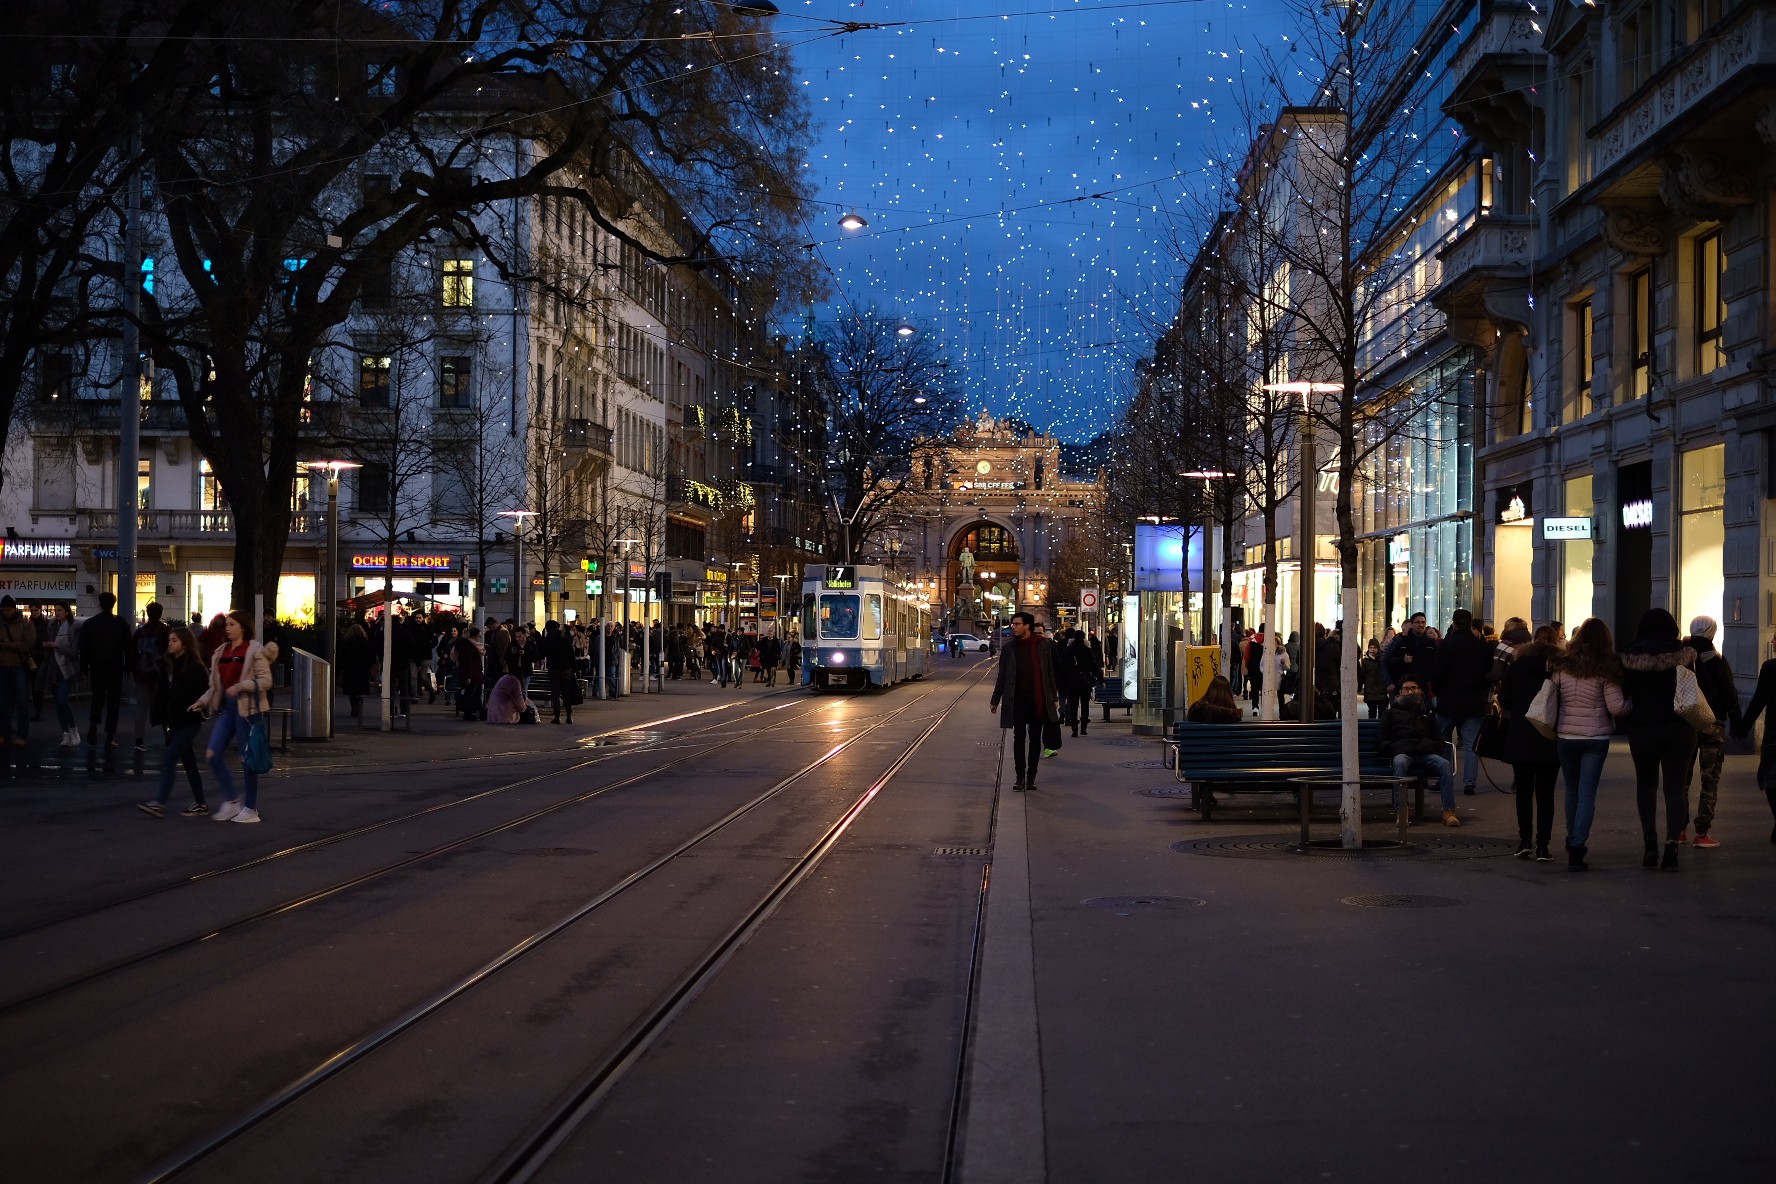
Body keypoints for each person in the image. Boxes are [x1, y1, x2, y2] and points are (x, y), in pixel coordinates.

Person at [1621, 608, 1700, 872]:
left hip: (1642, 728)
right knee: (1675, 788)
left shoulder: (1631, 655)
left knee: (1646, 785)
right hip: (1679, 728)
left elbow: (1622, 692)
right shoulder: (1685, 655)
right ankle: (1672, 849)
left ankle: (1650, 845)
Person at [1548, 618, 1631, 871]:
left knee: (1571, 792)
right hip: (1595, 739)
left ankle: (1572, 837)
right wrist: (1632, 704)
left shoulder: (1562, 665)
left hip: (1566, 736)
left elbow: (1551, 697)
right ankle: (1577, 844)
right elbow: (1616, 707)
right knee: (1587, 794)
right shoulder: (1607, 667)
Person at [196, 610, 277, 824]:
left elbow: (266, 680)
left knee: (247, 759)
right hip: (229, 709)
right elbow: (215, 686)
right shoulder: (221, 651)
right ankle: (232, 800)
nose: (228, 628)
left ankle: (250, 808)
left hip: (248, 710)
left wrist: (242, 686)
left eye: (232, 624)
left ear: (243, 627)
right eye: (227, 625)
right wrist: (202, 702)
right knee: (212, 755)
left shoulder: (253, 650)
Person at [1498, 624, 1562, 860]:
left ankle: (1525, 840)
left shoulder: (1518, 666)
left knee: (1523, 791)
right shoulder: (1557, 668)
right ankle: (1543, 845)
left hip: (1521, 734)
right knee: (1546, 793)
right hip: (1548, 735)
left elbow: (1505, 699)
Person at [139, 627, 210, 817]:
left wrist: (197, 705)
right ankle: (201, 803)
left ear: (185, 644)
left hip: (190, 720)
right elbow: (165, 694)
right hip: (176, 721)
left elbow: (204, 692)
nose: (170, 643)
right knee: (189, 761)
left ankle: (160, 803)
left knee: (170, 758)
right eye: (170, 640)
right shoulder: (169, 665)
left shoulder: (194, 667)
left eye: (175, 640)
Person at [1682, 616, 1739, 849]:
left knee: (1682, 780)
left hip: (1685, 724)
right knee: (1709, 779)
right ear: (1712, 633)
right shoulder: (1717, 660)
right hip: (1713, 724)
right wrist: (1738, 723)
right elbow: (1729, 695)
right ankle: (1702, 832)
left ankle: (1679, 829)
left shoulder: (1681, 657)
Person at [989, 612, 1059, 792]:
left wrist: (1054, 697)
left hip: (1038, 699)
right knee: (1019, 738)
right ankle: (1019, 777)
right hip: (1017, 700)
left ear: (1027, 625)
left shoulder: (1042, 645)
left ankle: (1031, 777)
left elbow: (1049, 673)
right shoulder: (1009, 648)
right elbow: (1002, 676)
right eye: (1013, 624)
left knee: (1035, 739)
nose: (1014, 627)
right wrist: (995, 699)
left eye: (1017, 624)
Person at [1430, 608, 1493, 797]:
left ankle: (1443, 779)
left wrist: (1440, 692)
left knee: (1445, 742)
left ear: (1454, 624)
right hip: (1473, 701)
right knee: (1472, 745)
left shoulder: (1447, 646)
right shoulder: (1482, 647)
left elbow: (1437, 674)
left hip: (1448, 700)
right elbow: (1487, 674)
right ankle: (1469, 783)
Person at [1377, 675, 1456, 824]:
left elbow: (1439, 741)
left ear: (1420, 690)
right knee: (1400, 763)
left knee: (1444, 764)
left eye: (1413, 688)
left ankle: (1449, 811)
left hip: (1426, 753)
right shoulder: (1390, 713)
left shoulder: (1427, 715)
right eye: (1406, 689)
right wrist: (1396, 748)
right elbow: (1381, 741)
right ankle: (1401, 810)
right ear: (1400, 692)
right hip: (1403, 753)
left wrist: (1429, 746)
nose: (1410, 692)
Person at [1731, 629, 1776, 845]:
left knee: (1769, 777)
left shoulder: (1771, 668)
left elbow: (1759, 700)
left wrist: (1742, 727)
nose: (1773, 641)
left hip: (1775, 730)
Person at [77, 591, 133, 749]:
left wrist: (83, 668)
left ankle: (93, 725)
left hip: (96, 665)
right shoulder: (121, 623)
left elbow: (84, 648)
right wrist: (127, 667)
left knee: (97, 698)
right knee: (113, 702)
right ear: (113, 604)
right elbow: (127, 648)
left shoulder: (90, 624)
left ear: (100, 604)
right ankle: (110, 736)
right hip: (115, 666)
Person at [130, 601, 171, 753]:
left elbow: (133, 654)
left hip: (141, 676)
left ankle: (139, 741)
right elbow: (170, 653)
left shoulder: (140, 632)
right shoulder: (165, 631)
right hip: (160, 675)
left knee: (141, 707)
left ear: (147, 613)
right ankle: (169, 738)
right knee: (164, 706)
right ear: (160, 614)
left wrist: (134, 672)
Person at [0, 595, 35, 757]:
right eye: (4, 610)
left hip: (18, 666)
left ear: (14, 609)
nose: (6, 612)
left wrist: (9, 645)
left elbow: (29, 644)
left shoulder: (25, 623)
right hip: (4, 666)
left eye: (8, 609)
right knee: (3, 701)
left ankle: (22, 735)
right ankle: (5, 733)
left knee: (21, 701)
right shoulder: (20, 623)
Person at [44, 604, 80, 747]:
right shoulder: (53, 626)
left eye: (60, 610)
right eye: (55, 611)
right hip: (54, 667)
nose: (57, 613)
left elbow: (73, 651)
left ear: (67, 612)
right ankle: (65, 733)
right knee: (58, 703)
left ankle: (73, 730)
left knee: (61, 700)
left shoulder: (73, 628)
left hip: (67, 668)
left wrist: (57, 646)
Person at [1383, 612, 1435, 692]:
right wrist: (1403, 660)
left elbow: (1436, 663)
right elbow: (1389, 660)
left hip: (1423, 686)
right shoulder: (1402, 641)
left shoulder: (1430, 643)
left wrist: (1430, 679)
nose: (1420, 625)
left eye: (1423, 622)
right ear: (1412, 624)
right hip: (1406, 687)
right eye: (1417, 622)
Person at [540, 621, 578, 724]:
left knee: (555, 693)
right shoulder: (564, 639)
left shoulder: (548, 640)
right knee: (566, 693)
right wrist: (574, 669)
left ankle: (557, 716)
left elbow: (542, 653)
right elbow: (571, 655)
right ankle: (569, 715)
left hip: (553, 669)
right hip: (565, 669)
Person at [338, 623, 375, 719]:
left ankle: (353, 706)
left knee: (352, 691)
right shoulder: (365, 642)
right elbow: (371, 655)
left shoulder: (346, 642)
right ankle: (358, 707)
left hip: (349, 669)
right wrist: (371, 665)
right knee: (360, 690)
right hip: (362, 669)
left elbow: (341, 656)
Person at [1360, 638, 1388, 719]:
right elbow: (1362, 676)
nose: (1372, 650)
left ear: (1378, 648)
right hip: (1370, 692)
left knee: (1382, 713)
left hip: (1381, 691)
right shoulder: (1365, 661)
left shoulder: (1382, 659)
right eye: (1370, 648)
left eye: (1374, 648)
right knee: (1372, 712)